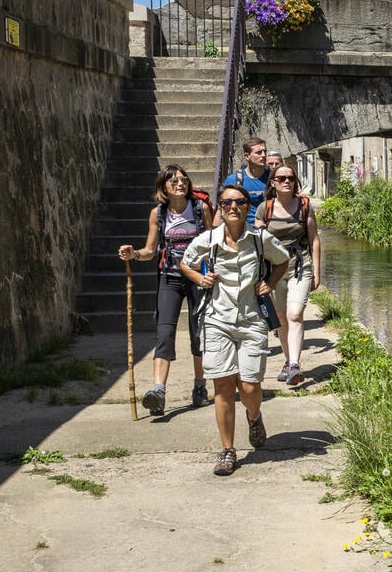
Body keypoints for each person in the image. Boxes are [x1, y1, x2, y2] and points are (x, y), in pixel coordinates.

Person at [180, 184, 289, 476]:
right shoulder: (209, 239)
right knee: (224, 386)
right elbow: (185, 262)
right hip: (217, 320)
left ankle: (254, 417)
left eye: (239, 202)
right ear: (220, 207)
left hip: (252, 319)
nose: (233, 207)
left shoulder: (259, 238)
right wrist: (199, 278)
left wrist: (270, 283)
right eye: (227, 202)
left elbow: (282, 260)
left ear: (246, 207)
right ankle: (228, 450)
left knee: (250, 385)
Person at [118, 165, 214, 415]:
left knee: (198, 333)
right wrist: (134, 254)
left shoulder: (200, 208)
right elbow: (150, 251)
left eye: (184, 180)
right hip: (169, 277)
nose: (180, 184)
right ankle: (158, 390)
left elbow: (213, 243)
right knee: (164, 333)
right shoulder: (158, 214)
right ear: (164, 188)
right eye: (174, 181)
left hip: (197, 278)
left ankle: (199, 385)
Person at [255, 165, 321, 385]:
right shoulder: (265, 208)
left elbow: (314, 240)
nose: (286, 181)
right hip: (274, 270)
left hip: (300, 265)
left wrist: (317, 271)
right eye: (281, 178)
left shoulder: (304, 205)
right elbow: (258, 243)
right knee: (281, 319)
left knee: (295, 314)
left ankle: (294, 365)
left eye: (290, 178)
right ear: (272, 182)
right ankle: (288, 360)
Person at [223, 137, 270, 226]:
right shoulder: (234, 180)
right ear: (247, 156)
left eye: (265, 151)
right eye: (258, 153)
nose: (263, 155)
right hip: (244, 228)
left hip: (269, 228)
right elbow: (222, 208)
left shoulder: (273, 178)